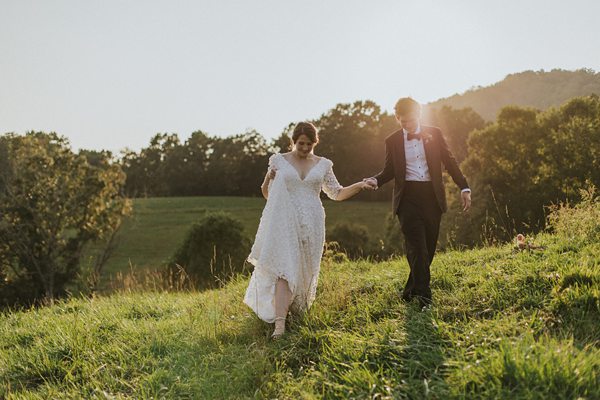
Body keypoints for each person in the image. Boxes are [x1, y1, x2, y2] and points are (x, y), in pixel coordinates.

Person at [244, 122, 374, 338]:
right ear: (293, 141)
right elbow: (267, 193)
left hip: (313, 221)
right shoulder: (279, 160)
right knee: (285, 269)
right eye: (301, 143)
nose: (305, 148)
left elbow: (337, 193)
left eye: (309, 144)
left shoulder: (323, 165)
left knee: (304, 270)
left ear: (315, 142)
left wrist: (360, 185)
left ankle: (293, 312)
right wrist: (269, 176)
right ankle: (280, 325)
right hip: (285, 221)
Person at [364, 97, 471, 308]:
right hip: (408, 199)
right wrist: (375, 180)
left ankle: (409, 291)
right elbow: (390, 171)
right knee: (417, 248)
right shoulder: (392, 141)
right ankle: (424, 300)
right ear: (398, 119)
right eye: (403, 122)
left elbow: (449, 161)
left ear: (419, 114)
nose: (407, 125)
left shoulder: (435, 133)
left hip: (432, 197)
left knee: (428, 249)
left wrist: (464, 187)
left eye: (411, 120)